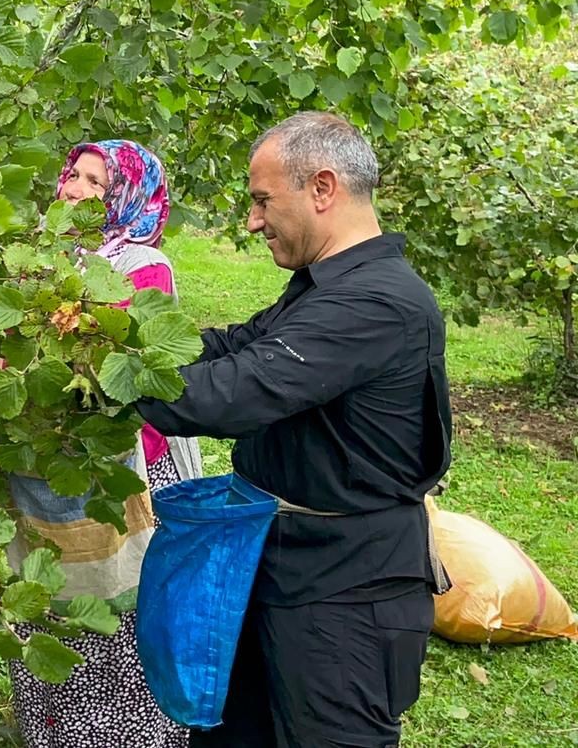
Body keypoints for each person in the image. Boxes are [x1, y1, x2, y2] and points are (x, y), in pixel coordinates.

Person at [133, 112, 451, 747]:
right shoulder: (321, 287)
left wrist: (99, 379)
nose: (253, 221)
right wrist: (110, 342)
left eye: (261, 200)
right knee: (235, 730)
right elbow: (231, 348)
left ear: (323, 189)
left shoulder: (377, 302)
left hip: (347, 590)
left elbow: (237, 393)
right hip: (272, 556)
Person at [6, 140, 197, 748]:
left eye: (96, 181)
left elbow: (128, 371)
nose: (77, 190)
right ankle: (51, 731)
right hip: (45, 462)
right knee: (49, 594)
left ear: (126, 196)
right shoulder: (38, 254)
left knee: (118, 602)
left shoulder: (145, 265)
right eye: (74, 176)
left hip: (121, 467)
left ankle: (124, 737)